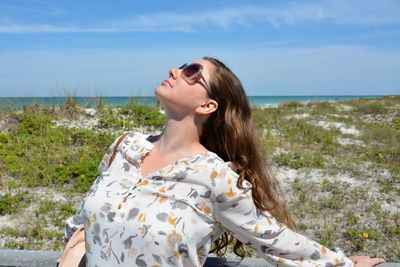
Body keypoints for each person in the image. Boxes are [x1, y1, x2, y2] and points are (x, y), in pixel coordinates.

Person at [65, 57, 386, 267]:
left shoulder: (215, 176)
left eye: (192, 72)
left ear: (207, 105)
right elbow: (83, 219)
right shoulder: (127, 146)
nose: (175, 71)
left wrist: (346, 264)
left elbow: (273, 239)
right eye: (181, 66)